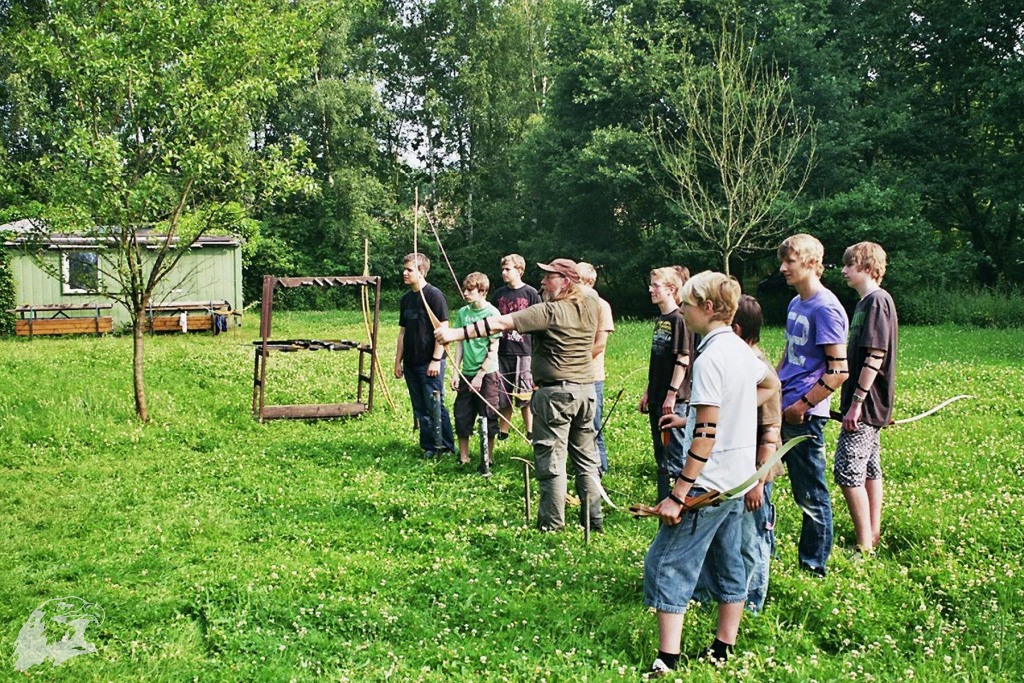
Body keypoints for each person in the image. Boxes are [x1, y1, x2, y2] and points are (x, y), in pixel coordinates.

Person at [642, 272, 780, 678]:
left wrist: (679, 493)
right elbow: (771, 383)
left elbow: (705, 435)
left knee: (667, 562)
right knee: (727, 563)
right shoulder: (742, 349)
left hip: (708, 485)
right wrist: (701, 414)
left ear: (707, 308)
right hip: (737, 481)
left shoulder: (711, 357)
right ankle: (723, 647)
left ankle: (667, 660)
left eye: (686, 305)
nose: (681, 312)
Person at [436, 258, 602, 532]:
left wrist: (454, 334)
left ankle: (552, 525)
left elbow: (498, 323)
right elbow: (590, 291)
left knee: (552, 462)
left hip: (557, 396)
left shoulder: (550, 311)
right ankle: (593, 521)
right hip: (585, 393)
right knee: (586, 462)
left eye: (550, 277)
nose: (543, 282)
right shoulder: (590, 303)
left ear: (567, 282)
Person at [694, 295, 783, 613]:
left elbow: (771, 431)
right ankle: (712, 595)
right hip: (731, 472)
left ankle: (752, 602)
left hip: (753, 475)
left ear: (736, 328)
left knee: (750, 543)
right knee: (725, 542)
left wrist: (757, 482)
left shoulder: (757, 365)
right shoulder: (736, 361)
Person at [776, 234, 850, 576]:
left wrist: (802, 406)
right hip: (781, 405)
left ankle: (813, 564)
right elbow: (791, 355)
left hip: (804, 415)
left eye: (789, 261)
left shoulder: (827, 307)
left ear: (810, 262)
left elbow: (838, 370)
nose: (783, 268)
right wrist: (772, 386)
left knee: (810, 494)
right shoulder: (795, 303)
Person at [835, 242, 898, 555]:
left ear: (867, 267)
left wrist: (857, 404)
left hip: (865, 406)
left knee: (847, 472)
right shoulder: (864, 304)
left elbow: (875, 355)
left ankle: (864, 547)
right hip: (863, 406)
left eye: (850, 265)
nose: (844, 271)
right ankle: (872, 534)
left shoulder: (877, 302)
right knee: (870, 469)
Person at [394, 252, 455, 458]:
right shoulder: (406, 299)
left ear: (421, 272)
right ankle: (430, 446)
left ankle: (446, 446)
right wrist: (398, 362)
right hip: (411, 363)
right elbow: (402, 333)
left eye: (409, 270)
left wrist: (436, 360)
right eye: (404, 269)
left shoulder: (433, 295)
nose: (404, 273)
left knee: (435, 404)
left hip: (430, 362)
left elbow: (443, 329)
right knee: (420, 407)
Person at [640, 267, 691, 502]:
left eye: (655, 286)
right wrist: (648, 392)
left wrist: (671, 395)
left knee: (674, 452)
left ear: (671, 289)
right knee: (660, 451)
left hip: (675, 400)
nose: (650, 290)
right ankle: (663, 498)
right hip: (657, 396)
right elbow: (657, 361)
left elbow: (683, 359)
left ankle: (678, 499)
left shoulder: (679, 319)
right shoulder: (661, 319)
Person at [450, 272, 501, 470]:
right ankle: (464, 457)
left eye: (470, 290)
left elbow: (493, 348)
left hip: (487, 374)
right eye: (465, 289)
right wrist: (456, 372)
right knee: (462, 414)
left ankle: (487, 457)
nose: (465, 293)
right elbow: (460, 343)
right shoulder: (464, 313)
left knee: (488, 414)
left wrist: (480, 375)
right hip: (466, 373)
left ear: (482, 291)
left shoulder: (493, 314)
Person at [491, 254, 541, 440]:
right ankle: (504, 430)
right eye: (503, 269)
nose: (504, 273)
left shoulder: (531, 294)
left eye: (508, 269)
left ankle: (530, 430)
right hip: (502, 351)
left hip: (524, 351)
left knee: (525, 394)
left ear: (519, 270)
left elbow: (538, 322)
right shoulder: (499, 295)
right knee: (504, 393)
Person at [576, 262, 615, 473]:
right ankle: (581, 466)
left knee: (593, 424)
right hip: (573, 376)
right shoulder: (571, 304)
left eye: (577, 281)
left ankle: (600, 468)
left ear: (589, 282)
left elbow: (599, 344)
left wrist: (575, 360)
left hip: (592, 375)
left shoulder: (602, 305)